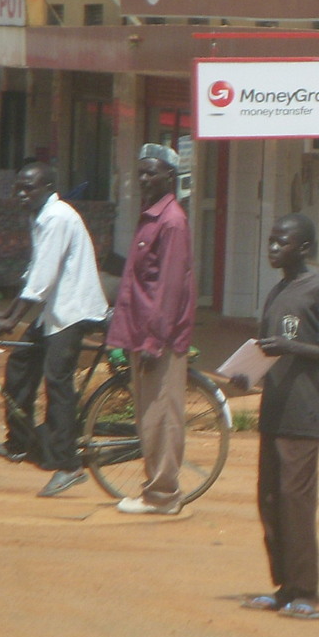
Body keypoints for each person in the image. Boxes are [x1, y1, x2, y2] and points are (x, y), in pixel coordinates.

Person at [233, 214, 319, 620]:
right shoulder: (277, 291)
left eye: (281, 243)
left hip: (303, 413)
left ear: (303, 248)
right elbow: (268, 350)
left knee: (295, 502)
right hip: (274, 410)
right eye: (270, 241)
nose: (272, 249)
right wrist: (247, 374)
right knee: (270, 501)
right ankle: (284, 587)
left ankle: (308, 592)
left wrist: (292, 347)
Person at [0, 162, 111, 497]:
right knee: (20, 364)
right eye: (18, 188)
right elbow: (34, 273)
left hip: (74, 310)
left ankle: (69, 465)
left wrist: (12, 319)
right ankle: (19, 443)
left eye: (29, 187)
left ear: (48, 188)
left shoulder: (57, 217)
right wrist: (8, 314)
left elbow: (42, 279)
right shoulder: (41, 216)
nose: (22, 193)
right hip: (54, 311)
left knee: (57, 383)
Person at [106, 144, 197, 515]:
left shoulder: (172, 221)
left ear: (169, 177)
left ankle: (163, 495)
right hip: (139, 331)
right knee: (148, 417)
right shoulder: (150, 217)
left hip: (159, 339)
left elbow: (170, 289)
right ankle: (154, 490)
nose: (143, 179)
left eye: (151, 172)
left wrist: (153, 341)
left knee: (162, 418)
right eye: (140, 172)